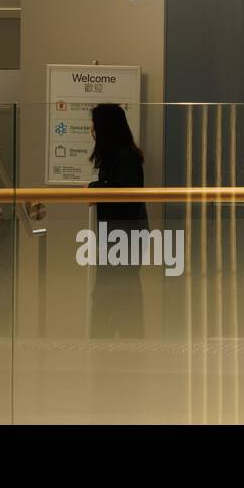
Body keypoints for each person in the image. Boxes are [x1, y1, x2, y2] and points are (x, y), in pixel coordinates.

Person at [87, 102, 147, 338]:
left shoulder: (126, 157)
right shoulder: (118, 156)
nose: (91, 129)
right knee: (113, 289)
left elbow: (122, 193)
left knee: (119, 290)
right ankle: (110, 337)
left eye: (94, 124)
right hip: (118, 236)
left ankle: (117, 337)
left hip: (124, 237)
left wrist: (93, 188)